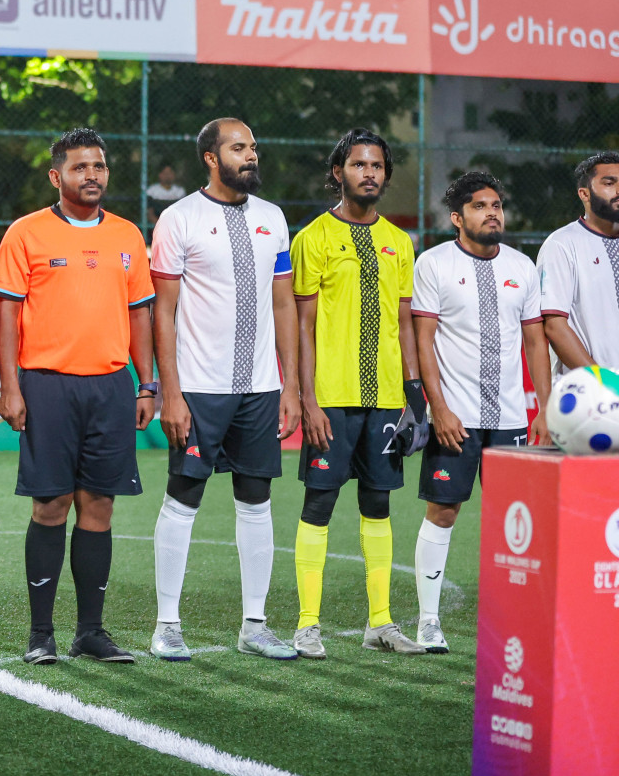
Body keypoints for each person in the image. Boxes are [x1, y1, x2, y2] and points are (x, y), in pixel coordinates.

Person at [0, 127, 153, 667]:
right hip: (47, 384)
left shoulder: (128, 235)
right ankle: (41, 633)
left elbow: (140, 314)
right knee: (51, 504)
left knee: (99, 506)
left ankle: (91, 632)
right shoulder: (25, 233)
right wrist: (8, 385)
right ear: (56, 176)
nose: (93, 176)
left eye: (100, 167)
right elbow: (7, 314)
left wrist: (145, 381)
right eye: (81, 168)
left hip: (110, 386)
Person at [146, 118, 300, 663]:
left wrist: (291, 387)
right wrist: (171, 392)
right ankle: (167, 625)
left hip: (260, 388)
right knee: (183, 498)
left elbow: (284, 304)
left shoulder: (273, 218)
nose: (251, 156)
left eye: (254, 147)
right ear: (211, 158)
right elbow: (161, 312)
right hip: (199, 389)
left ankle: (254, 625)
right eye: (239, 148)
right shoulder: (178, 218)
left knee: (257, 502)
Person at [289, 128, 427, 659]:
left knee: (378, 504)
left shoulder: (399, 241)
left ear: (385, 175)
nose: (368, 173)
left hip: (387, 398)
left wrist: (415, 398)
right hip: (332, 397)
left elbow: (403, 321)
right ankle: (307, 625)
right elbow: (302, 326)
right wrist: (308, 399)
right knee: (319, 503)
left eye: (376, 166)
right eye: (358, 164)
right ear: (338, 172)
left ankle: (381, 624)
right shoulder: (313, 238)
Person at [412, 171, 549, 653]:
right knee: (444, 511)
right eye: (479, 206)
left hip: (511, 416)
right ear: (457, 217)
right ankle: (429, 621)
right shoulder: (433, 264)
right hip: (457, 417)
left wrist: (544, 408)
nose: (493, 212)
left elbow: (536, 340)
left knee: (513, 519)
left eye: (497, 204)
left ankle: (513, 618)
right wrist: (439, 409)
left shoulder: (522, 266)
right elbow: (423, 342)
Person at [538, 152, 619, 371]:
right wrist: (602, 382)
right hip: (588, 395)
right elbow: (554, 325)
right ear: (584, 193)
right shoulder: (562, 244)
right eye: (609, 183)